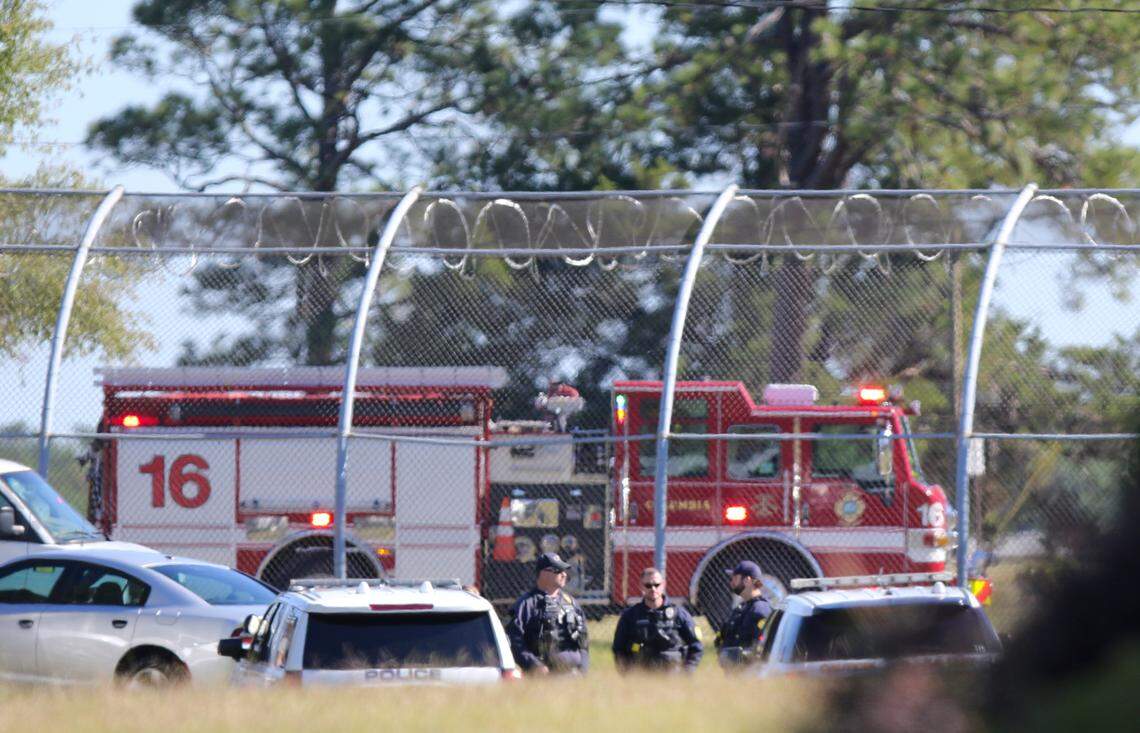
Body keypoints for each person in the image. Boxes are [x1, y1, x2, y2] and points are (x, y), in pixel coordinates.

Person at [507, 552, 589, 675]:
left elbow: (583, 640)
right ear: (543, 573)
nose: (564, 574)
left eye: (564, 570)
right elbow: (515, 642)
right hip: (543, 676)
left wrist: (583, 667)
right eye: (558, 570)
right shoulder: (525, 605)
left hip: (574, 675)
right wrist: (534, 665)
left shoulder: (571, 603)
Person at [612, 567, 703, 673]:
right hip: (641, 675)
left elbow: (696, 646)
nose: (653, 589)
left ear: (663, 585)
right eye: (648, 585)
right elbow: (618, 649)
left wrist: (687, 673)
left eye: (657, 585)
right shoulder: (630, 616)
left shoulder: (679, 614)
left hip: (674, 676)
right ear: (641, 586)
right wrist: (628, 675)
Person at [714, 560, 773, 669]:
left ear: (747, 580)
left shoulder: (760, 610)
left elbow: (763, 648)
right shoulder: (742, 609)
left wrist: (741, 658)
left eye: (735, 578)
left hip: (749, 675)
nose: (731, 583)